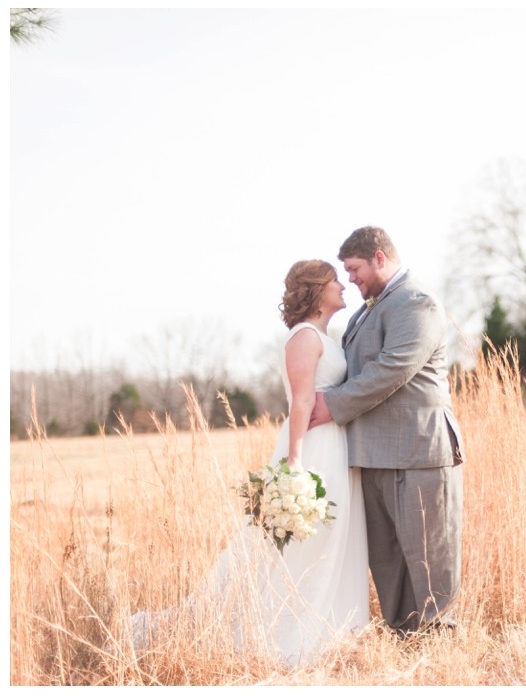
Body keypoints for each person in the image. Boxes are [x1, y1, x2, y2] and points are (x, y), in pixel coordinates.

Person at [129, 260, 369, 665]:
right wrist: (294, 463)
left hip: (336, 445)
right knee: (296, 544)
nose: (343, 286)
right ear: (315, 290)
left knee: (333, 537)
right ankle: (285, 634)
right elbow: (303, 401)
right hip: (313, 448)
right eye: (333, 281)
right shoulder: (304, 338)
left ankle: (331, 630)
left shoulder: (329, 338)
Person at [309, 225, 464, 637]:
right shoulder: (366, 310)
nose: (350, 279)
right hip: (371, 454)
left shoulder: (416, 303)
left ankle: (439, 639)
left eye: (354, 268)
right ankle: (405, 635)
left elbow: (393, 368)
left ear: (379, 257)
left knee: (429, 553)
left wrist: (332, 405)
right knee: (387, 557)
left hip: (417, 450)